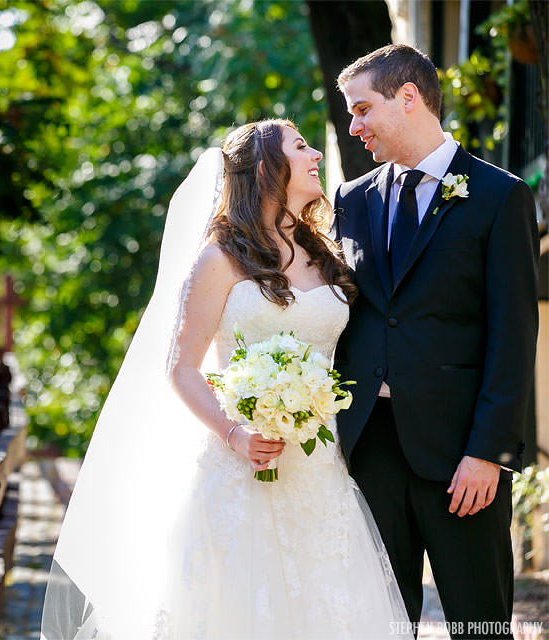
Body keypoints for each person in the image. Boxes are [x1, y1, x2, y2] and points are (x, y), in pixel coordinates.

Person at [41, 119, 408, 640]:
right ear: (266, 169)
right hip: (240, 466)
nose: (316, 157)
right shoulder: (219, 260)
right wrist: (235, 433)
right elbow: (182, 367)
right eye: (301, 147)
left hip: (319, 470)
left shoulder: (326, 256)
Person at [333, 44, 539, 639]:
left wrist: (489, 453)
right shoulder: (352, 200)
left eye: (362, 109)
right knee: (381, 625)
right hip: (369, 448)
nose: (355, 126)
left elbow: (514, 333)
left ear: (408, 98)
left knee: (480, 623)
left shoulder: (500, 196)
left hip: (461, 458)